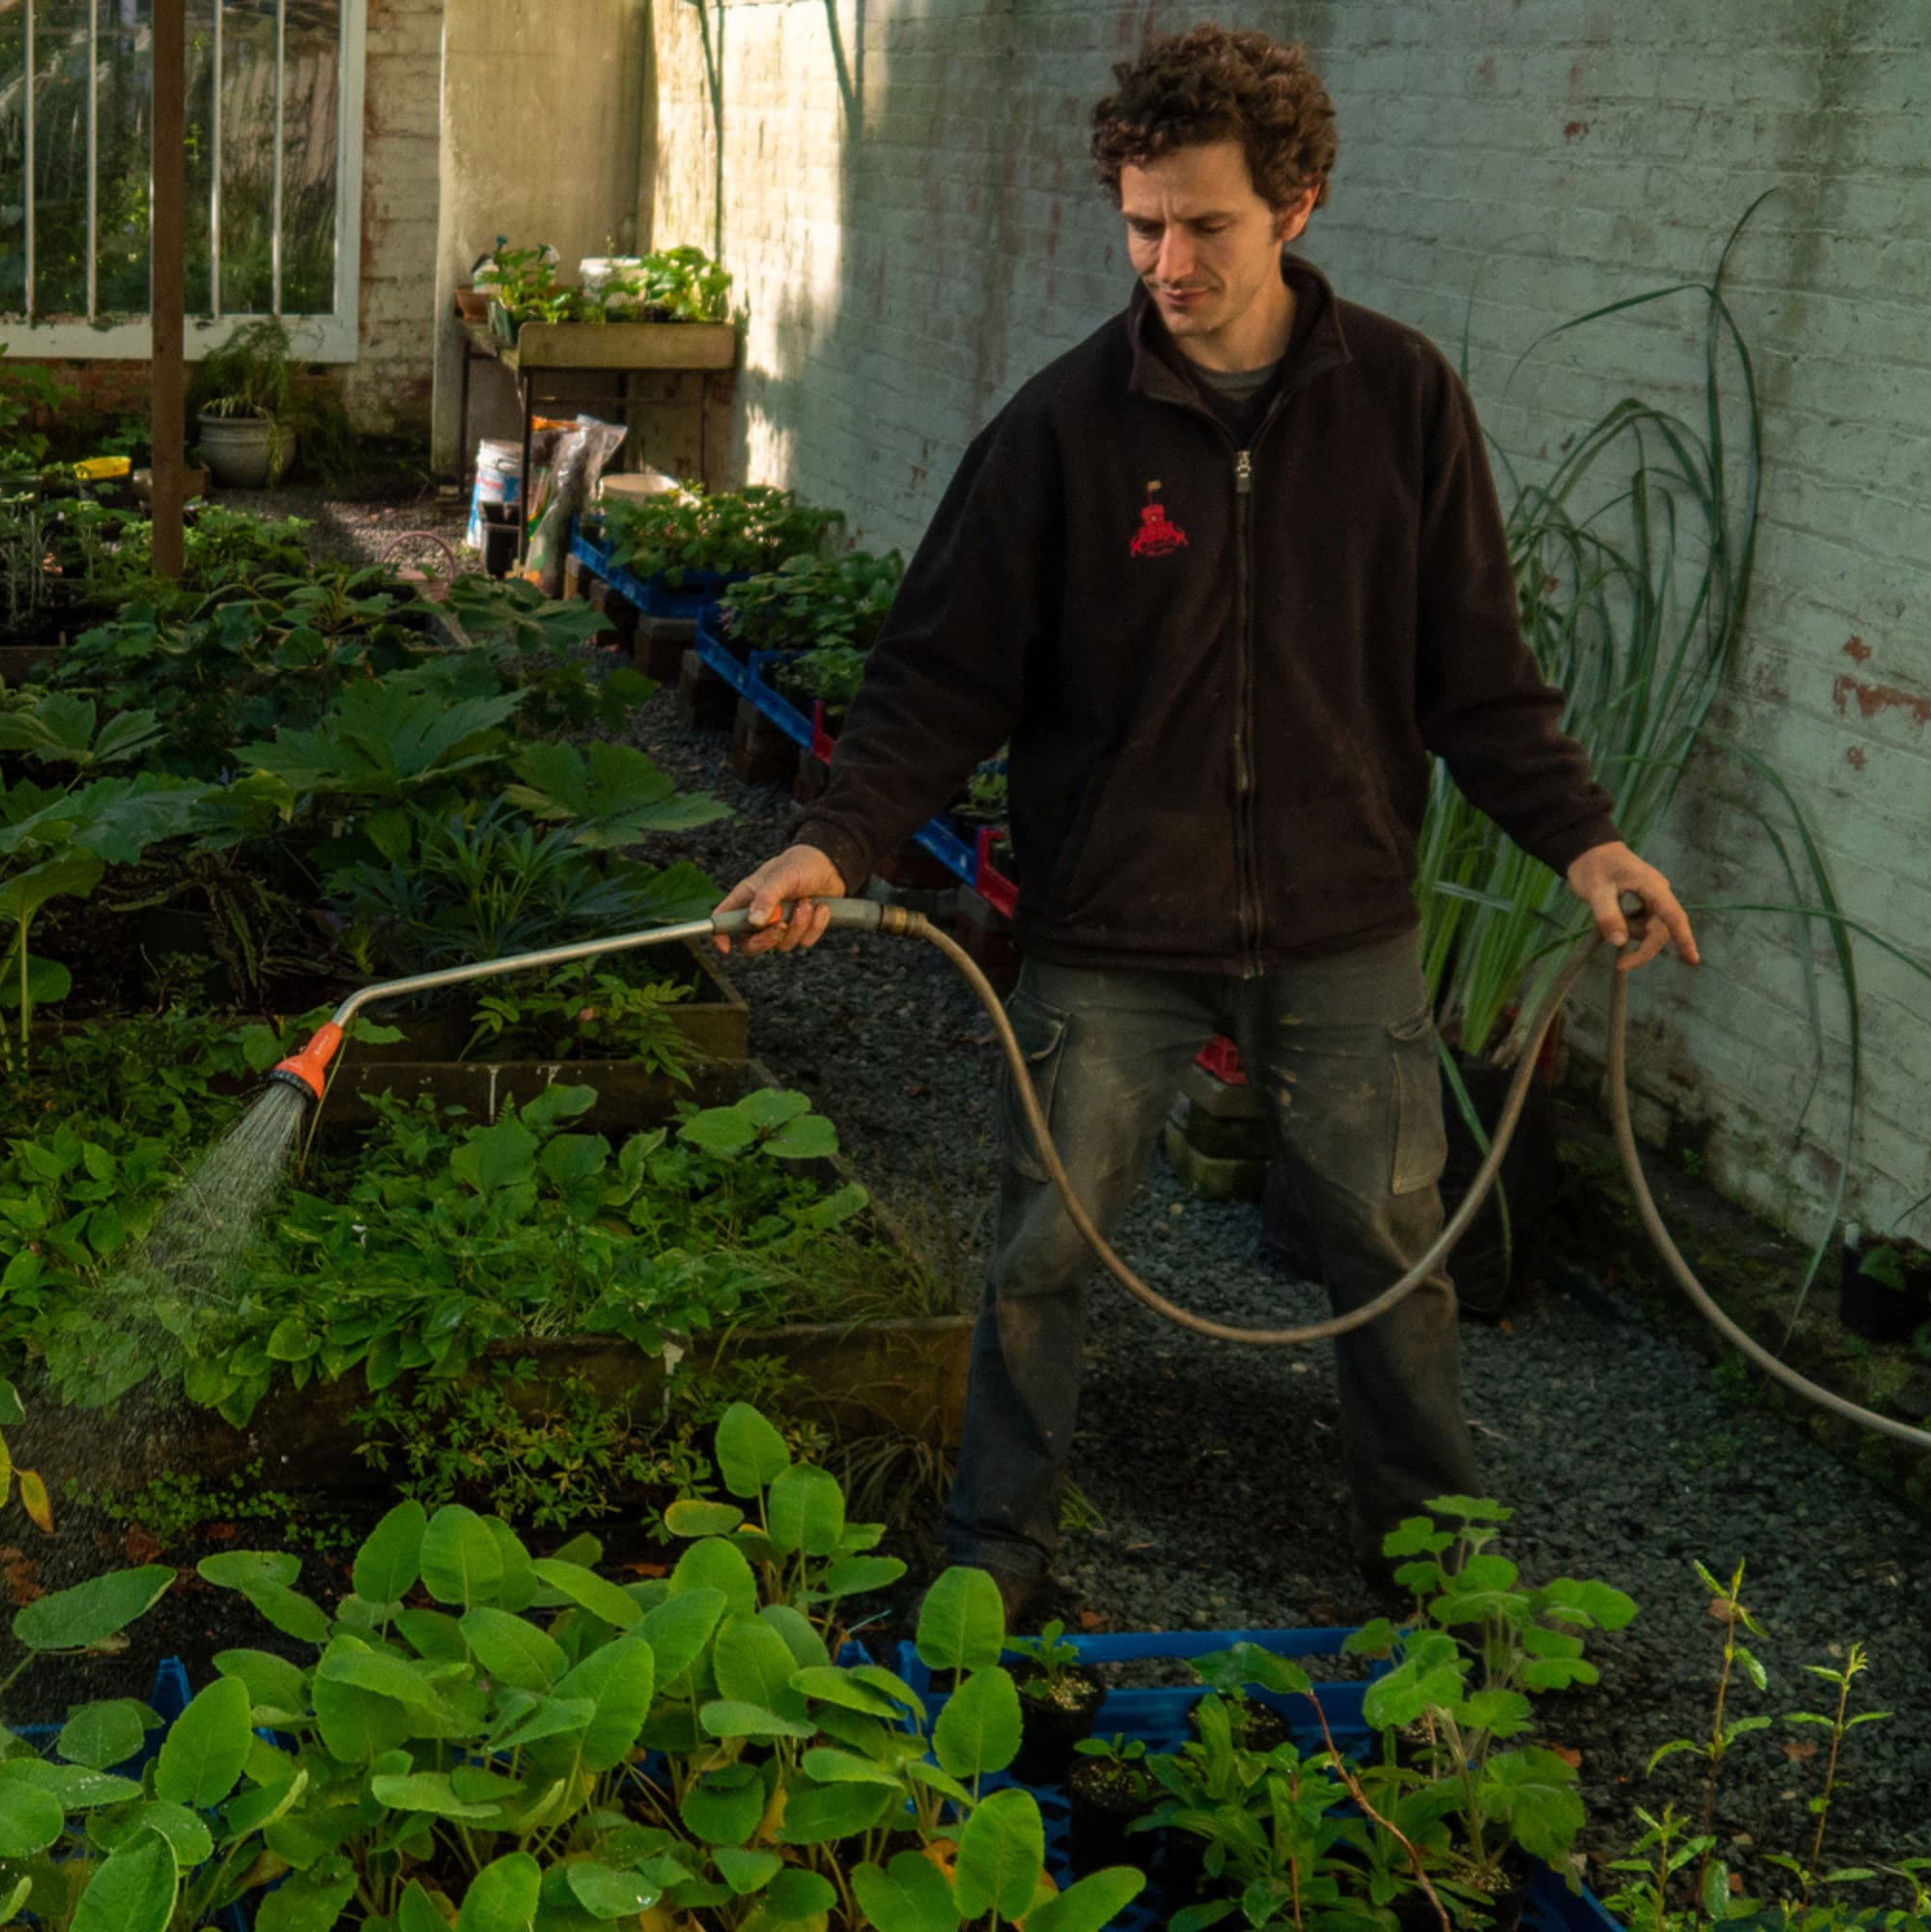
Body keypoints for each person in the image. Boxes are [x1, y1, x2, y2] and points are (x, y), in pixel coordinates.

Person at [712, 25, 1701, 1631]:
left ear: (1298, 203)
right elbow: (938, 679)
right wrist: (837, 844)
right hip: (1115, 929)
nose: (1167, 262)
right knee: (1044, 1248)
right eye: (1141, 226)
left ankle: (1437, 1577)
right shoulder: (1061, 432)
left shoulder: (1400, 403)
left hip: (1343, 927)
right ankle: (998, 1562)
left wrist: (1586, 843)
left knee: (1391, 1257)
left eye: (1206, 226)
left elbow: (1481, 680)